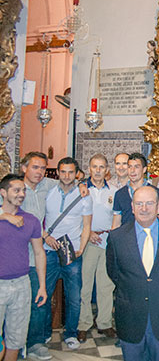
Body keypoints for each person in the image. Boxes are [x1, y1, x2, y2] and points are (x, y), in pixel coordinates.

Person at [20, 152, 87, 360]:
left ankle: (36, 340)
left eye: (42, 168)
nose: (39, 172)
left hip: (40, 254)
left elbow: (73, 178)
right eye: (35, 167)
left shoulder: (47, 185)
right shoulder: (16, 189)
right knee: (32, 299)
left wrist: (83, 183)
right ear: (24, 168)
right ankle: (31, 340)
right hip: (22, 251)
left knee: (43, 296)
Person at [107, 186, 159, 360]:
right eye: (139, 204)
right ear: (132, 207)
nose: (144, 208)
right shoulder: (117, 237)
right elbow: (114, 272)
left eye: (149, 203)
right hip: (131, 318)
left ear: (158, 206)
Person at [41, 157, 92, 350]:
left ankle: (70, 333)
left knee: (74, 297)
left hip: (72, 252)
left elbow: (87, 225)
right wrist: (45, 236)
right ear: (58, 172)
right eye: (63, 172)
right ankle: (44, 333)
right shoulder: (48, 191)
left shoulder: (84, 195)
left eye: (71, 172)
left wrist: (82, 247)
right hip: (49, 250)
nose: (67, 176)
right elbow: (37, 216)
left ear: (76, 173)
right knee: (44, 294)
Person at [0, 174, 47, 361]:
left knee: (16, 338)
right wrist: (4, 216)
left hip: (22, 284)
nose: (21, 194)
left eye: (23, 190)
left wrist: (42, 286)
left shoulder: (31, 220)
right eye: (16, 190)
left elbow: (39, 253)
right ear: (3, 192)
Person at [77, 155, 118, 343]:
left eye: (102, 166)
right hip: (88, 241)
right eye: (95, 166)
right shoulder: (82, 190)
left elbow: (115, 218)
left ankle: (104, 323)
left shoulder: (114, 191)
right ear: (89, 168)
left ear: (107, 169)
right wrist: (89, 233)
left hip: (107, 241)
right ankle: (83, 323)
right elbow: (75, 217)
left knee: (106, 284)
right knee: (85, 284)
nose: (98, 170)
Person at [112, 153, 159, 229]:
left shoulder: (155, 192)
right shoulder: (120, 194)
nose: (132, 170)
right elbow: (116, 224)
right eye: (130, 167)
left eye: (136, 167)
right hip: (126, 237)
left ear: (144, 169)